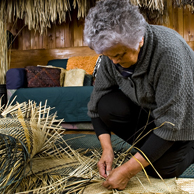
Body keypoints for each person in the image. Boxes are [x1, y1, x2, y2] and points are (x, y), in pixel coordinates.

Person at [84, 0, 194, 191]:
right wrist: (107, 150)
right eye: (108, 56)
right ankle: (152, 150)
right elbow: (94, 106)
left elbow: (171, 123)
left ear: (140, 39)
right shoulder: (112, 56)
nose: (114, 62)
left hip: (186, 120)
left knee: (163, 169)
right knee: (106, 105)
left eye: (119, 55)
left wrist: (127, 170)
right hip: (154, 116)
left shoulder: (169, 53)